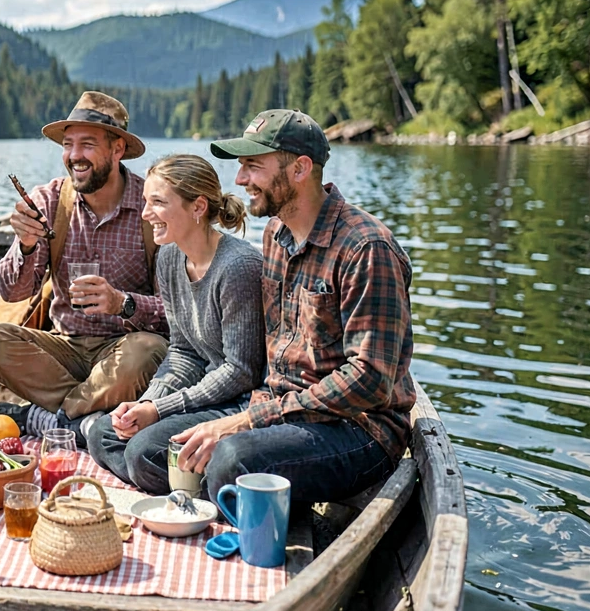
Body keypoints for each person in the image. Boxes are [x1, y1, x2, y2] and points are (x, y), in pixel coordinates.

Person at [166, 109, 414, 505]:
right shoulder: (275, 234)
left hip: (357, 430)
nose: (240, 179)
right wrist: (246, 416)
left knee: (230, 462)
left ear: (300, 168)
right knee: (152, 450)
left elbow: (370, 381)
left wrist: (248, 422)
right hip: (277, 410)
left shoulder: (367, 248)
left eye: (252, 166)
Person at [0, 91, 168, 445]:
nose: (74, 156)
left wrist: (122, 302)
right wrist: (26, 244)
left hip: (123, 347)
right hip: (63, 349)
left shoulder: (151, 207)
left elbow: (177, 309)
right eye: (68, 145)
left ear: (117, 149)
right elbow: (12, 292)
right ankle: (87, 420)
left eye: (88, 144)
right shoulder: (49, 200)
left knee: (148, 352)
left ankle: (46, 418)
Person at [86, 154, 266, 494]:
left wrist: (159, 409)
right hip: (203, 395)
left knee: (141, 452)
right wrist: (145, 405)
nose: (144, 213)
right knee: (102, 434)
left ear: (197, 207)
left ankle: (187, 484)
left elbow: (241, 371)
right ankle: (181, 481)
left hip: (239, 405)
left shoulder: (239, 267)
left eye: (158, 202)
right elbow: (182, 350)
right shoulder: (169, 256)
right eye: (145, 201)